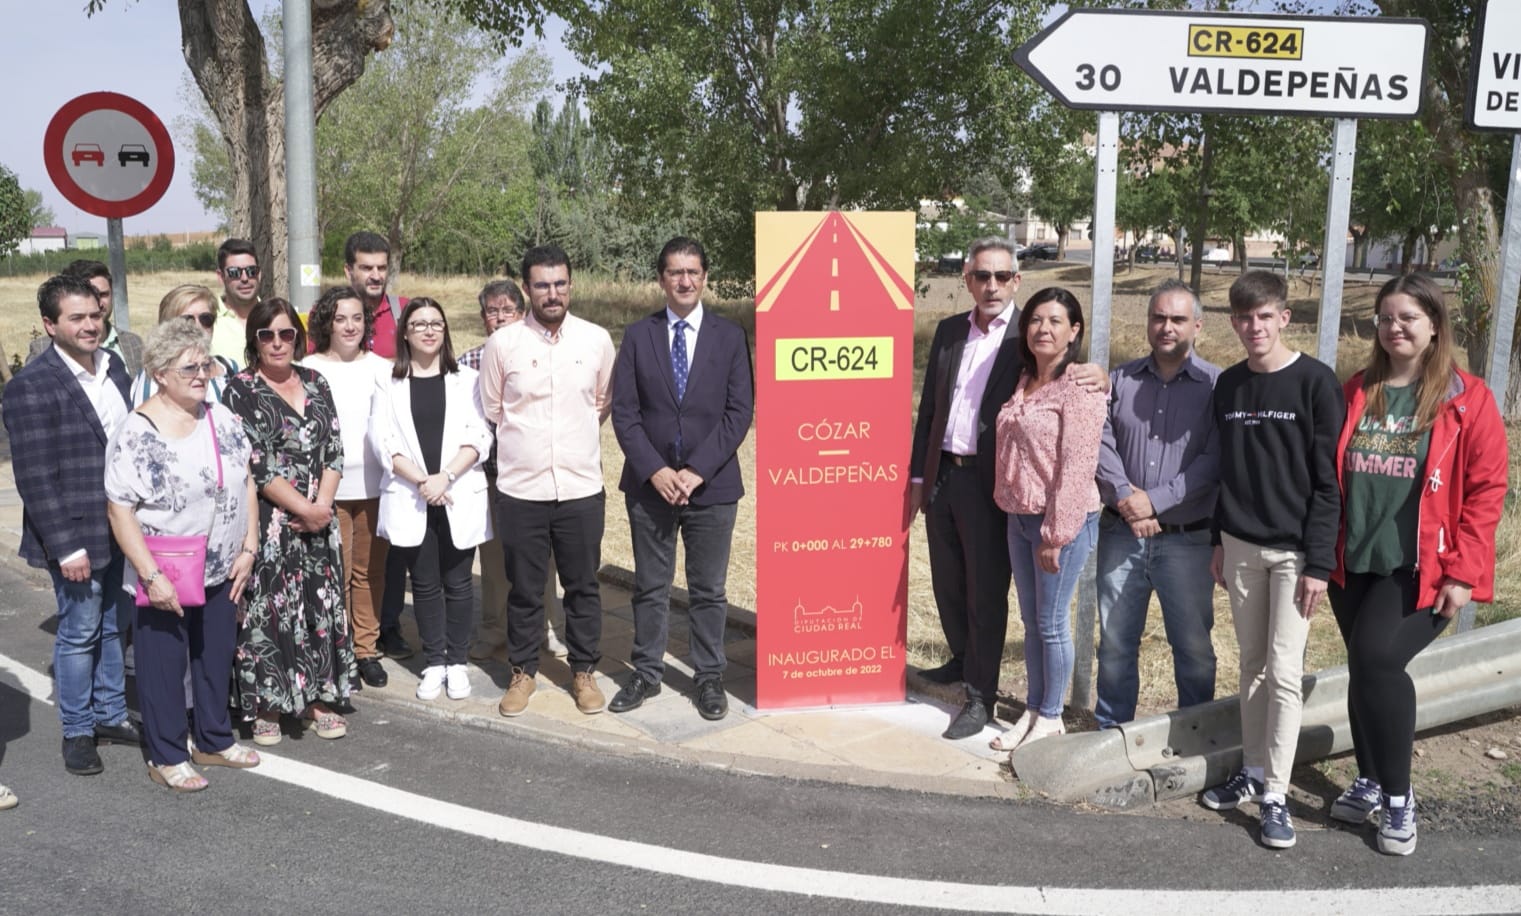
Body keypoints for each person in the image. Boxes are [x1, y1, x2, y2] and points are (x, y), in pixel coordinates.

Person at [1327, 274, 1508, 856]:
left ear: (1434, 326)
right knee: (1363, 667)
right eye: (1385, 318)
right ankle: (1370, 778)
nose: (1394, 327)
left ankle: (1400, 800)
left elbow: (1487, 490)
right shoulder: (1358, 389)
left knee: (1378, 659)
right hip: (1354, 559)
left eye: (1407, 317)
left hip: (1420, 568)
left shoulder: (1466, 399)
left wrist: (1462, 571)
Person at [908, 237, 1106, 740]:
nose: (991, 285)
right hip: (943, 476)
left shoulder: (1029, 335)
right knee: (949, 581)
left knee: (986, 591)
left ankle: (981, 694)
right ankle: (960, 659)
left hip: (992, 481)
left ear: (1016, 281)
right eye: (981, 276)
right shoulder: (951, 330)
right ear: (967, 279)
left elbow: (1071, 379)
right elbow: (930, 408)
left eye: (1001, 276)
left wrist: (1103, 375)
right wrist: (918, 476)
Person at [1200, 270, 1344, 851]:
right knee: (1252, 665)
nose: (1254, 327)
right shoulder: (1229, 386)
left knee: (1285, 673)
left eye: (1264, 316)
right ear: (1233, 323)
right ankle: (1253, 770)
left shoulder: (1315, 382)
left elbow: (1328, 484)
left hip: (1293, 556)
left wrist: (1317, 562)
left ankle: (1276, 796)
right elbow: (1223, 473)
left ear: (1285, 317)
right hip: (1238, 546)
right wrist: (1216, 539)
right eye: (1243, 318)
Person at [105, 320, 263, 791]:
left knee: (215, 657)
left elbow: (247, 481)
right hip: (166, 570)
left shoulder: (222, 417)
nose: (201, 374)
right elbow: (120, 509)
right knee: (163, 665)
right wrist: (151, 576)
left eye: (206, 364)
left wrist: (249, 546)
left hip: (223, 564)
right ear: (159, 372)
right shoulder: (138, 431)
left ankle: (213, 739)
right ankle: (167, 753)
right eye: (189, 367)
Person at [609, 237, 754, 720]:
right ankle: (646, 672)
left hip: (711, 487)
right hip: (650, 488)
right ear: (661, 279)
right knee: (651, 586)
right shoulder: (637, 336)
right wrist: (656, 471)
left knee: (708, 589)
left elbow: (739, 413)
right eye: (675, 272)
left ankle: (709, 677)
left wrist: (694, 471)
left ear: (705, 277)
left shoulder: (730, 337)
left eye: (693, 271)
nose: (685, 281)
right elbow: (625, 415)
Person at [3, 273, 140, 775]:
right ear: (50, 324)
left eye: (95, 315)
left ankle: (108, 714)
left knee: (112, 627)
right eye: (76, 318)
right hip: (76, 536)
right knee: (80, 631)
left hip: (122, 527)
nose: (90, 326)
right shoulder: (31, 387)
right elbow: (35, 478)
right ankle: (77, 730)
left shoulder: (116, 369)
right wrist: (66, 548)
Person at [480, 244, 616, 717]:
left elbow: (600, 403)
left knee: (583, 586)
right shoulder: (503, 345)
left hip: (580, 488)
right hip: (522, 491)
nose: (552, 293)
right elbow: (494, 411)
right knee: (525, 588)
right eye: (542, 284)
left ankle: (583, 671)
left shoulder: (597, 340)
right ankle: (522, 673)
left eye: (560, 283)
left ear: (571, 285)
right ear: (527, 288)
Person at [223, 298, 356, 745]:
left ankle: (317, 697)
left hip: (320, 519)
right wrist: (303, 508)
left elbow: (335, 449)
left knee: (318, 609)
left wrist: (321, 508)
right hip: (273, 521)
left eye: (285, 334)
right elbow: (255, 464)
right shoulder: (239, 390)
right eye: (267, 335)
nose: (277, 343)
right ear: (254, 341)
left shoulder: (317, 381)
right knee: (269, 611)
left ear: (297, 338)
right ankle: (269, 703)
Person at [1093, 279, 1221, 730]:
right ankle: (1111, 735)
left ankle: (1195, 737)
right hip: (1120, 534)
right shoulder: (1121, 380)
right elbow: (1101, 442)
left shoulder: (1217, 386)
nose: (1166, 327)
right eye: (1159, 317)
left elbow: (1214, 461)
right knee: (1113, 644)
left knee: (1192, 649)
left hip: (1187, 541)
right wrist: (1128, 499)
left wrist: (1156, 502)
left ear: (1197, 326)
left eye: (1177, 319)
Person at [990, 288, 1106, 752]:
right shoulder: (1024, 380)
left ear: (1074, 331)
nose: (1044, 328)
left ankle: (1053, 717)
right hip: (1018, 516)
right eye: (1036, 319)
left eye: (1056, 321)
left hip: (1060, 520)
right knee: (1032, 621)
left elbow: (1077, 466)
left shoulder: (1079, 388)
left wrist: (1056, 535)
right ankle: (1035, 708)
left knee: (1053, 622)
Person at [373, 299, 494, 701]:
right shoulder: (388, 383)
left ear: (445, 331)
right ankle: (434, 661)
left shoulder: (469, 379)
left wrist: (446, 478)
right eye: (419, 323)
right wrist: (424, 481)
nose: (428, 330)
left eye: (436, 324)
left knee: (459, 584)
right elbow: (383, 441)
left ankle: (457, 662)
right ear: (405, 332)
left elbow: (480, 436)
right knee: (423, 585)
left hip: (457, 492)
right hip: (413, 495)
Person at [459, 280, 569, 662]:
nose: (501, 317)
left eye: (508, 310)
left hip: (537, 475)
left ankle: (549, 629)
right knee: (492, 562)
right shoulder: (467, 364)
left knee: (545, 559)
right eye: (493, 310)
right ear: (483, 318)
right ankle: (494, 632)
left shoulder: (541, 356)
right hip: (489, 477)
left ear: (522, 314)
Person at [305, 285, 394, 689]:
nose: (350, 326)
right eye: (341, 318)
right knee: (336, 574)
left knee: (370, 572)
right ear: (327, 322)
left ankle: (366, 650)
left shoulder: (383, 367)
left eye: (357, 318)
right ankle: (338, 650)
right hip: (330, 490)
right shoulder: (308, 368)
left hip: (376, 487)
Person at [28, 259, 144, 377]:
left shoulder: (133, 344)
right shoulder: (42, 350)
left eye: (103, 294)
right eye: (89, 295)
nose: (98, 303)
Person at [130, 284, 240, 404]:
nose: (198, 326)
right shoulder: (155, 377)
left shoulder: (229, 367)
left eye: (206, 319)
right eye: (187, 320)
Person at [343, 231, 406, 360]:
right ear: (349, 272)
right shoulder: (327, 314)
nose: (376, 276)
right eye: (367, 268)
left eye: (382, 268)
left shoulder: (405, 309)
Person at [210, 238, 261, 364]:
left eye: (251, 271)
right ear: (221, 276)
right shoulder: (206, 321)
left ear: (259, 274)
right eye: (234, 273)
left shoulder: (276, 317)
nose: (245, 278)